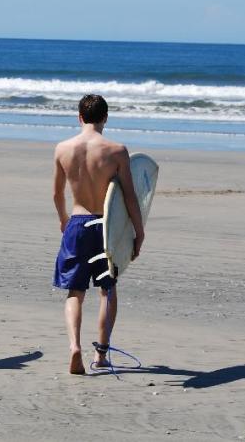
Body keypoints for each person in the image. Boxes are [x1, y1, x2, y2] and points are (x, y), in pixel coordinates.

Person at [52, 94, 145, 374]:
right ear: (105, 117)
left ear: (79, 117)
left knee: (75, 292)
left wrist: (64, 220)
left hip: (77, 224)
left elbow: (56, 194)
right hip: (106, 227)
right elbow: (129, 197)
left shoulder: (63, 148)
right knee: (107, 290)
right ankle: (101, 355)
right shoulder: (116, 151)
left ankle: (74, 347)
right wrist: (139, 232)